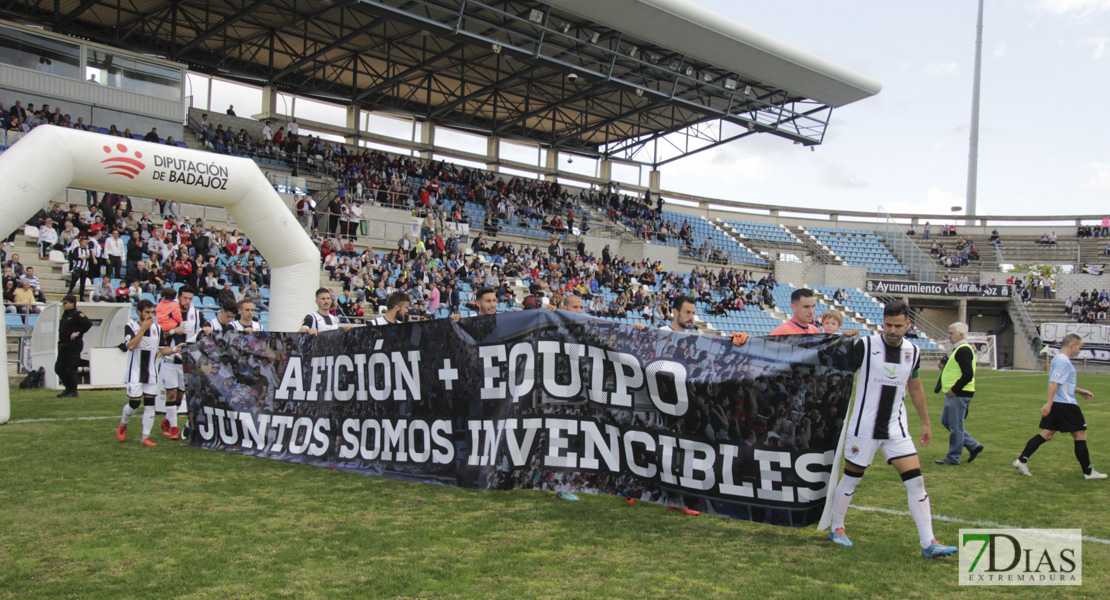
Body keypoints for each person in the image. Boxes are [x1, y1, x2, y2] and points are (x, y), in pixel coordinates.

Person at [826, 301, 958, 558]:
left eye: (898, 326)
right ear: (882, 322)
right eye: (888, 325)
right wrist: (840, 343)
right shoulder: (865, 346)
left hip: (896, 429)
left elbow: (915, 387)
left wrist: (926, 422)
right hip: (864, 428)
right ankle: (836, 528)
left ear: (908, 325)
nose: (892, 330)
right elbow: (834, 369)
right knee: (852, 479)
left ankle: (928, 543)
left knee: (916, 481)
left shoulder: (913, 351)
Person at [1013, 334, 1107, 479]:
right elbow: (1054, 383)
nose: (1079, 351)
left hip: (1059, 403)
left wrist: (1080, 391)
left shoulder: (1059, 359)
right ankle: (1088, 472)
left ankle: (1021, 460)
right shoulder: (1063, 361)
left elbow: (1062, 382)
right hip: (1066, 405)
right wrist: (1049, 403)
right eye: (1079, 348)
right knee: (1080, 435)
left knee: (1047, 434)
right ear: (1072, 345)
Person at [116, 299, 182, 446]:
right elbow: (131, 346)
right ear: (139, 312)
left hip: (151, 373)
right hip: (135, 373)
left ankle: (145, 437)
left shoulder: (157, 329)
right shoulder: (130, 326)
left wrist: (176, 348)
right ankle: (124, 423)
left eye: (152, 313)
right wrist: (142, 329)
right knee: (134, 404)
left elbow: (162, 350)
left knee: (149, 405)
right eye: (147, 312)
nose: (150, 316)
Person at [934, 322, 984, 465]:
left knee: (955, 426)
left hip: (958, 394)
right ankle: (973, 445)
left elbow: (968, 374)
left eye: (951, 333)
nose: (948, 336)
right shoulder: (959, 349)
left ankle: (953, 457)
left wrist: (955, 389)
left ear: (960, 335)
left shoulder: (962, 350)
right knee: (947, 422)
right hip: (955, 394)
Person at [159, 286, 203, 440]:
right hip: (169, 358)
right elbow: (158, 331)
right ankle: (174, 429)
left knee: (179, 396)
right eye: (185, 298)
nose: (187, 301)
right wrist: (172, 332)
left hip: (185, 361)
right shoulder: (167, 311)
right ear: (178, 297)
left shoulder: (196, 315)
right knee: (170, 393)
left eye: (190, 299)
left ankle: (167, 420)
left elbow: (203, 331)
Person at [54, 295, 92, 398]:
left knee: (71, 368)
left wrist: (78, 333)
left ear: (72, 303)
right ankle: (68, 388)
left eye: (65, 303)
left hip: (73, 345)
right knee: (59, 368)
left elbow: (88, 324)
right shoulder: (65, 314)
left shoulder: (77, 314)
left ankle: (73, 391)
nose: (64, 305)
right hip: (63, 345)